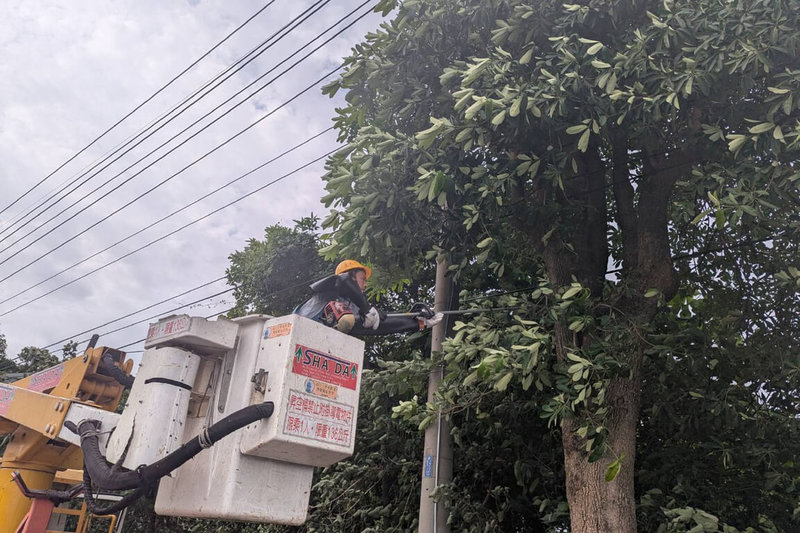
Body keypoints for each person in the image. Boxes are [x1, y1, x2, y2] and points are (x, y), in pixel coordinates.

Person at [294, 260, 443, 335]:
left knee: (352, 320)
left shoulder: (350, 308)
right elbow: (341, 280)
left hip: (313, 346)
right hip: (295, 333)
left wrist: (417, 322)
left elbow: (379, 325)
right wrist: (366, 309)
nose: (365, 285)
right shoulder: (330, 290)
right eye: (363, 279)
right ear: (351, 277)